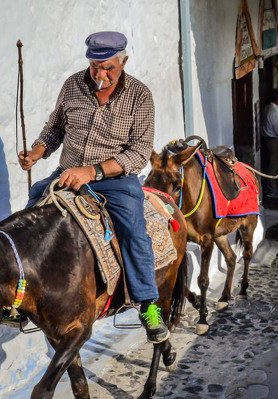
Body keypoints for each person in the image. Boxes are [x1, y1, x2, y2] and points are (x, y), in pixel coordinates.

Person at [18, 31, 169, 343]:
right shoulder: (73, 85)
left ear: (123, 62)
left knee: (132, 228)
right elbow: (55, 128)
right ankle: (21, 293)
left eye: (108, 68)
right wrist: (37, 151)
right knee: (29, 216)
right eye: (94, 67)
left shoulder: (140, 96)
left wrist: (92, 171)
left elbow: (139, 153)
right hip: (68, 172)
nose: (100, 74)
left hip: (115, 180)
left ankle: (147, 303)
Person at [260, 87, 278, 197]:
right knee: (273, 167)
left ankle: (269, 188)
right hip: (273, 142)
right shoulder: (274, 113)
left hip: (265, 140)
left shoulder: (266, 108)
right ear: (277, 99)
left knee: (268, 165)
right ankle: (272, 190)